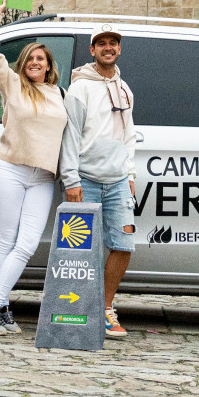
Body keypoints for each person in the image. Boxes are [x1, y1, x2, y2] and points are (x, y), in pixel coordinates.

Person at [0, 4, 68, 337]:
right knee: (6, 241)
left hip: (42, 177)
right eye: (30, 59)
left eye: (40, 59)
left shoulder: (59, 94)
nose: (34, 63)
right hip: (10, 169)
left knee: (26, 244)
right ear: (23, 64)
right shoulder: (12, 85)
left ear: (49, 65)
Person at [59, 26, 135, 340]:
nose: (108, 48)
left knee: (123, 244)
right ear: (92, 50)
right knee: (78, 250)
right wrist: (71, 178)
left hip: (117, 181)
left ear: (118, 49)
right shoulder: (80, 88)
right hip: (86, 179)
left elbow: (129, 135)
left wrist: (130, 174)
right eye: (101, 43)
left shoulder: (125, 88)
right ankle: (75, 311)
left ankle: (104, 308)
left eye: (113, 43)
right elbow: (70, 135)